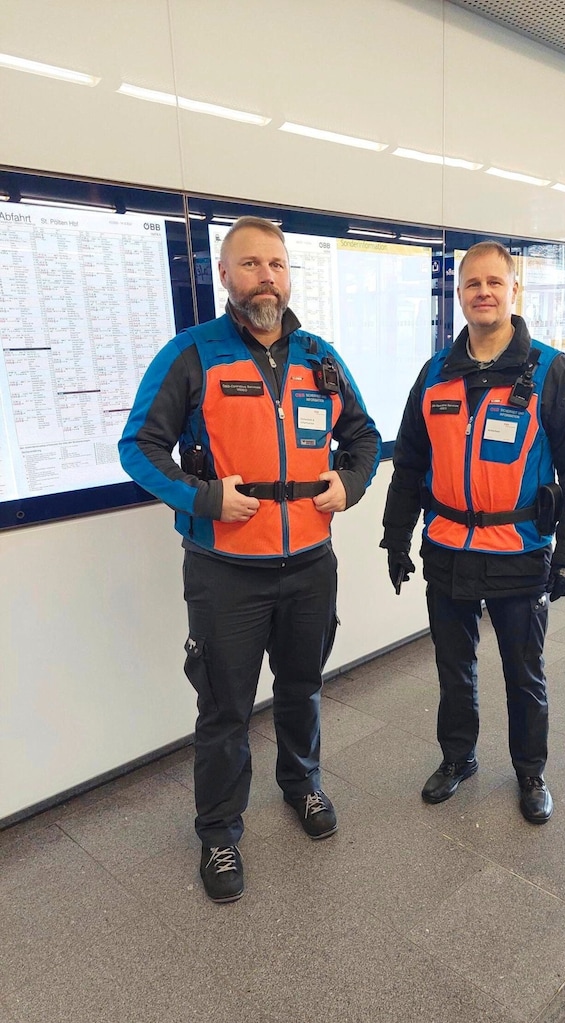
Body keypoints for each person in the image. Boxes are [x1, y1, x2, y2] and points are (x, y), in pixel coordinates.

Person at [119, 217, 380, 903]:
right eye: (251, 264)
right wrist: (204, 497)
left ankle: (302, 785)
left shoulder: (319, 356)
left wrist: (349, 485)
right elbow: (138, 446)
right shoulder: (193, 353)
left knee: (302, 687)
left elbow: (366, 436)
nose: (266, 275)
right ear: (225, 275)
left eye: (277, 264)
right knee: (225, 708)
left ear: (289, 276)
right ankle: (218, 832)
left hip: (310, 565)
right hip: (226, 570)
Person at [381, 241, 565, 824]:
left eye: (494, 282)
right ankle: (458, 758)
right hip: (448, 551)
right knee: (453, 668)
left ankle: (530, 770)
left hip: (519, 552)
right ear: (459, 295)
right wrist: (396, 537)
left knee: (523, 672)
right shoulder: (434, 375)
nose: (483, 292)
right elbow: (410, 463)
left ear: (513, 291)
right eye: (471, 284)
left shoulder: (551, 372)